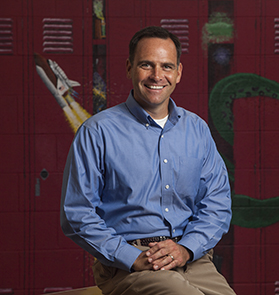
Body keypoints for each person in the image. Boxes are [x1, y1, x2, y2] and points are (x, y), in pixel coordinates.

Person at [60, 26, 236, 295]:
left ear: (178, 72)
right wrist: (130, 256)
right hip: (130, 264)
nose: (157, 76)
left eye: (166, 66)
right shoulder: (98, 132)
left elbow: (217, 203)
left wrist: (187, 249)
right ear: (130, 68)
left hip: (190, 258)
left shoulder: (196, 129)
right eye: (146, 65)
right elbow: (77, 213)